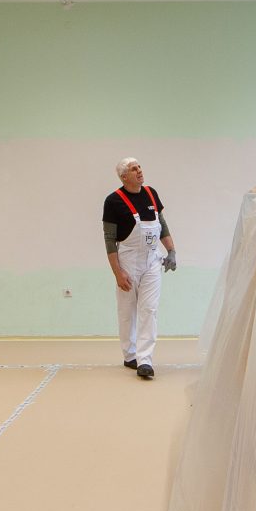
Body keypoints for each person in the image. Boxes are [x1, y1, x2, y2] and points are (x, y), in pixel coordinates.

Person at [103, 157, 176, 380]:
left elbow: (162, 224)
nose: (139, 171)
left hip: (152, 260)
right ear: (124, 177)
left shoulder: (151, 193)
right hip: (127, 261)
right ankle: (130, 354)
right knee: (127, 311)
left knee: (149, 309)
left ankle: (145, 360)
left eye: (139, 167)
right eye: (134, 169)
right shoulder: (113, 201)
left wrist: (171, 251)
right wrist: (118, 272)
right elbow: (109, 239)